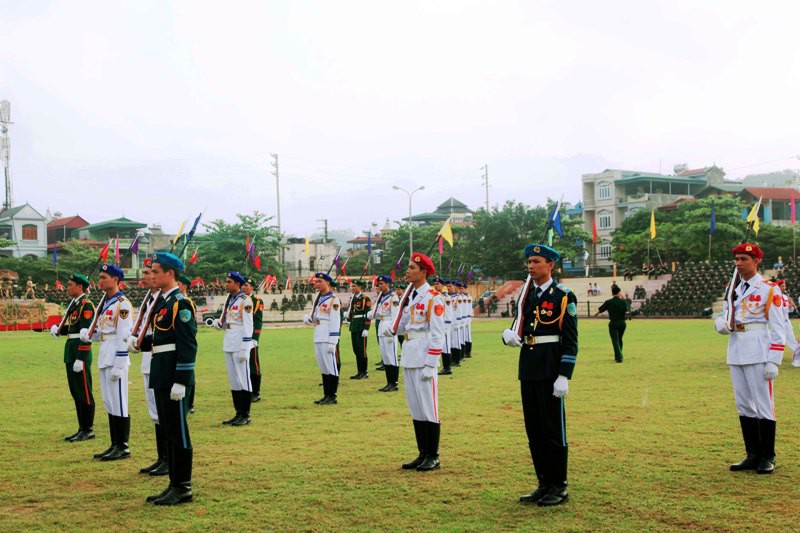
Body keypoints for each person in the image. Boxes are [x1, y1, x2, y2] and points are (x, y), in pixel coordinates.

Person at [502, 244, 578, 507]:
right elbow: (522, 329)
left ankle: (560, 485)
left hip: (550, 370)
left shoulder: (563, 296)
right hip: (529, 368)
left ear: (550, 265)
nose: (530, 266)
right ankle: (544, 483)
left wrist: (564, 375)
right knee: (534, 430)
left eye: (536, 261)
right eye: (529, 262)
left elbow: (570, 341)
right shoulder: (527, 296)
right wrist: (508, 335)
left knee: (553, 431)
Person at [714, 243, 786, 474]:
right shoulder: (733, 288)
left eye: (744, 258)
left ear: (756, 262)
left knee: (764, 405)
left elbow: (778, 327)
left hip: (759, 349)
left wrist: (774, 360)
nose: (738, 263)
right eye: (736, 259)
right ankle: (752, 454)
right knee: (744, 405)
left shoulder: (768, 289)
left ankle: (768, 456)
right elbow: (726, 314)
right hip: (736, 349)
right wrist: (721, 324)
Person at [133, 253, 197, 505]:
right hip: (161, 371)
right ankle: (173, 483)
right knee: (169, 430)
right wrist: (141, 343)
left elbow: (187, 345)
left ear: (170, 273)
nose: (152, 275)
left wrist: (182, 380)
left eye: (156, 271)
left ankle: (183, 486)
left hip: (172, 374)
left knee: (178, 432)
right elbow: (162, 339)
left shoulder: (180, 304)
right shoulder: (163, 302)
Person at [389, 252, 445, 471]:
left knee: (429, 408)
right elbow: (405, 327)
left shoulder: (433, 297)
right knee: (416, 407)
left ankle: (433, 454)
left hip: (424, 357)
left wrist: (432, 364)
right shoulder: (411, 297)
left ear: (423, 272)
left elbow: (438, 333)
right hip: (411, 354)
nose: (408, 270)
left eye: (412, 267)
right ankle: (422, 453)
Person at [79, 264, 134, 461]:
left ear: (115, 280)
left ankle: (123, 446)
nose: (100, 281)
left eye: (104, 277)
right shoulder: (106, 302)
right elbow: (104, 332)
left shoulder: (122, 303)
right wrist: (89, 335)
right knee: (109, 401)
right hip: (105, 351)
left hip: (115, 354)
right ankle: (114, 444)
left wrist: (120, 362)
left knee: (119, 401)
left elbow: (123, 334)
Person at [134, 258, 169, 477]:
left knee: (163, 413)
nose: (146, 276)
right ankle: (161, 457)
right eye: (146, 272)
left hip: (159, 359)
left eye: (150, 272)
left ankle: (167, 458)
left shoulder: (163, 301)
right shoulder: (150, 299)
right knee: (155, 412)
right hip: (148, 359)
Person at [50, 273, 96, 442]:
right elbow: (74, 329)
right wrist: (59, 329)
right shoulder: (75, 304)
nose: (67, 287)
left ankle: (88, 428)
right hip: (71, 350)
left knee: (84, 391)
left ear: (80, 287)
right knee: (76, 392)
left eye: (70, 285)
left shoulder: (86, 305)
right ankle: (81, 428)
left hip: (79, 352)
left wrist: (81, 357)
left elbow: (86, 334)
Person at [213, 272, 254, 426]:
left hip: (240, 342)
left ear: (237, 284)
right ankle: (238, 413)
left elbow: (248, 325)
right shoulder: (229, 299)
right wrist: (220, 324)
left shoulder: (245, 300)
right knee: (234, 380)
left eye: (229, 282)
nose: (226, 284)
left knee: (244, 379)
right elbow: (229, 321)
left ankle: (245, 414)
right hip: (230, 340)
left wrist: (246, 347)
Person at [303, 272, 342, 404]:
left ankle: (333, 396)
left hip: (327, 334)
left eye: (320, 281)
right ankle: (326, 395)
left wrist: (333, 341)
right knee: (323, 366)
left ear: (328, 283)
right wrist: (309, 319)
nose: (317, 284)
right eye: (316, 281)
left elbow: (335, 321)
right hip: (319, 333)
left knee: (331, 366)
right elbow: (316, 318)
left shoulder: (333, 300)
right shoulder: (318, 299)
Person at [369, 275, 401, 390]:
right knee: (386, 357)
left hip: (389, 326)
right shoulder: (381, 297)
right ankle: (389, 382)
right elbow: (380, 312)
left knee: (391, 356)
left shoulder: (393, 297)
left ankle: (394, 383)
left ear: (388, 284)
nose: (380, 286)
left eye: (382, 284)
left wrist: (393, 330)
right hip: (382, 325)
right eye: (379, 284)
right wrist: (372, 314)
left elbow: (395, 315)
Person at [177, 275, 197, 413]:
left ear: (184, 286)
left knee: (188, 373)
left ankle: (189, 403)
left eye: (178, 284)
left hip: (185, 342)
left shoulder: (187, 302)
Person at [243, 278, 265, 402]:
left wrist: (255, 338)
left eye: (246, 285)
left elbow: (258, 321)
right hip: (239, 337)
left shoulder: (257, 301)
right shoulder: (237, 300)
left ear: (252, 287)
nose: (244, 288)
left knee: (253, 364)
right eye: (242, 285)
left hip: (251, 337)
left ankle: (256, 392)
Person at [594, 285, 628, 363]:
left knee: (615, 340)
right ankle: (619, 354)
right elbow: (626, 312)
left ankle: (619, 357)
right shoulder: (623, 302)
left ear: (612, 293)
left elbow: (601, 309)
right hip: (622, 323)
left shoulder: (609, 302)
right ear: (619, 292)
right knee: (619, 339)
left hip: (613, 323)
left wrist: (595, 314)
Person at [346, 280, 372, 379]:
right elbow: (352, 312)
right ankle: (359, 371)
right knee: (356, 350)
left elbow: (367, 315)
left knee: (362, 350)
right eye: (352, 286)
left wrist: (366, 328)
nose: (352, 288)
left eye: (354, 286)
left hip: (361, 326)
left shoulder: (365, 298)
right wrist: (348, 317)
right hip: (354, 326)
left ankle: (364, 372)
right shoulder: (353, 298)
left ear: (360, 287)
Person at [431, 277, 453, 375]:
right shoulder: (435, 296)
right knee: (441, 345)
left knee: (446, 346)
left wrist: (446, 324)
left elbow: (448, 312)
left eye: (438, 284)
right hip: (438, 324)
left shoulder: (445, 297)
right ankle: (445, 367)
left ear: (442, 285)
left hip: (444, 324)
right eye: (435, 284)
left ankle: (447, 367)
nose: (436, 285)